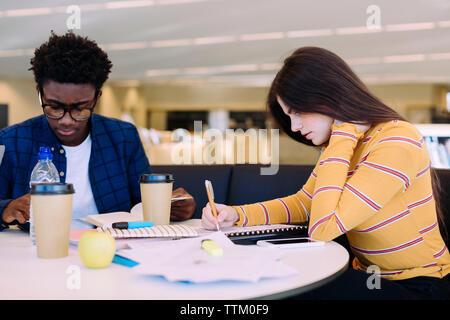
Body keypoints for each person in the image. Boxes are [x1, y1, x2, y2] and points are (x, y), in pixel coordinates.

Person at [202, 47, 450, 299]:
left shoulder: (397, 140)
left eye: (297, 112)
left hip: (420, 285)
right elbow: (305, 203)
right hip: (368, 275)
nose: (295, 127)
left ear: (328, 97)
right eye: (289, 116)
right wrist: (236, 214)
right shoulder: (344, 144)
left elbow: (323, 229)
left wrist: (342, 136)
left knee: (296, 285)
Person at [0, 31, 195, 231]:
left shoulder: (123, 137)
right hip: (35, 252)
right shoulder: (11, 141)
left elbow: (143, 205)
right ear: (39, 94)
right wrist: (5, 209)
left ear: (96, 98)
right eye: (54, 107)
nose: (66, 121)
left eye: (80, 108)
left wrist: (174, 207)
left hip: (113, 250)